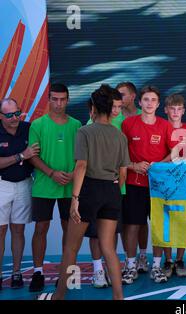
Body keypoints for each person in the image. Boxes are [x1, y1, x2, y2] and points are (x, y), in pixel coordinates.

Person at [37, 84, 129, 300]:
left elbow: (81, 166)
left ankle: (59, 295)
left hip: (89, 190)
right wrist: (114, 188)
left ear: (93, 109)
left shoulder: (84, 131)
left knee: (71, 247)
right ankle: (119, 297)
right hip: (112, 191)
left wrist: (75, 198)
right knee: (109, 248)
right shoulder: (119, 136)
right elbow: (123, 172)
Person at [28, 84, 82, 292]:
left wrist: (73, 174)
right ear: (49, 100)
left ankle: (66, 273)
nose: (58, 103)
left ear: (67, 100)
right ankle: (38, 272)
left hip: (70, 187)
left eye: (62, 99)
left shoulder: (77, 125)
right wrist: (51, 172)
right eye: (55, 99)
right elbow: (32, 155)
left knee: (70, 230)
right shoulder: (38, 125)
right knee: (41, 229)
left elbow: (81, 157)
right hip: (43, 186)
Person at [121, 86, 173, 284]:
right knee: (133, 226)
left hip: (158, 186)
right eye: (146, 99)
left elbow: (175, 152)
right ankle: (131, 266)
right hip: (134, 184)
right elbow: (120, 153)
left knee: (158, 226)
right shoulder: (128, 124)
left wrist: (159, 165)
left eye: (153, 100)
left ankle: (157, 267)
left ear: (158, 104)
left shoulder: (165, 125)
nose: (149, 103)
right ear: (140, 102)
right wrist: (134, 165)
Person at [85, 88, 125, 288]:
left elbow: (122, 164)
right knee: (96, 235)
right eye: (114, 105)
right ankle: (98, 270)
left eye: (120, 106)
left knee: (110, 239)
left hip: (111, 189)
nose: (117, 109)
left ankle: (110, 272)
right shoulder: (88, 127)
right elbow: (83, 163)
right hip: (99, 188)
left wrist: (118, 187)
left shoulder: (122, 125)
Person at [0, 98, 40, 290]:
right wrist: (21, 156)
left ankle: (16, 273)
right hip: (2, 185)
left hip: (24, 184)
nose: (14, 118)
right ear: (1, 116)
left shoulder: (28, 127)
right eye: (9, 115)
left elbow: (37, 153)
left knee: (18, 230)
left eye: (17, 113)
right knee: (0, 232)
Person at [116, 82, 149, 274]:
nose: (119, 99)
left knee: (141, 222)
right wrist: (131, 166)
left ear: (133, 96)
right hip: (121, 180)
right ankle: (130, 259)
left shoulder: (144, 115)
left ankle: (143, 256)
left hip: (143, 179)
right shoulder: (115, 117)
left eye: (122, 94)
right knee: (128, 222)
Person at [161, 93, 186, 278]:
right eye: (172, 108)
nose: (175, 112)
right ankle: (167, 260)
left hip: (184, 181)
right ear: (165, 109)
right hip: (164, 182)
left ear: (183, 111)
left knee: (183, 220)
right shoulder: (160, 127)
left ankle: (180, 259)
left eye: (179, 109)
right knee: (166, 220)